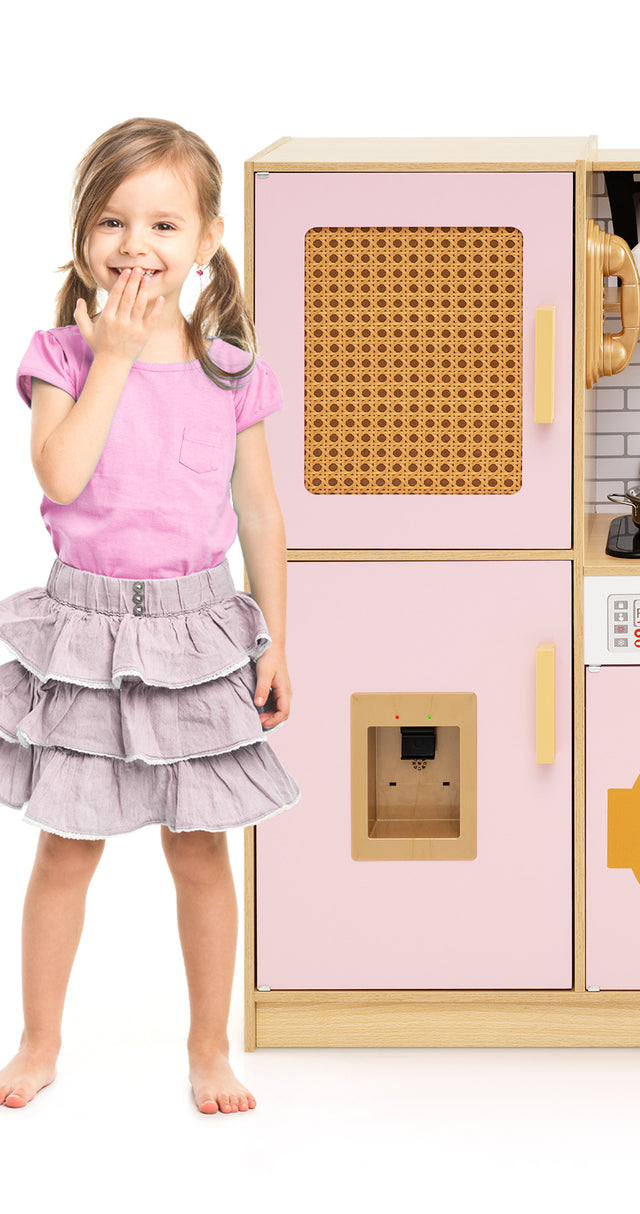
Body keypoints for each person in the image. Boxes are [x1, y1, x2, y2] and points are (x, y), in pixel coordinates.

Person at [0, 118, 298, 1114]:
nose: (138, 243)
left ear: (207, 239)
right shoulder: (60, 353)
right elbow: (60, 469)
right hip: (84, 631)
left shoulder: (229, 369)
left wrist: (277, 640)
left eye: (164, 222)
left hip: (198, 628)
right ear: (84, 236)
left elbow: (260, 513)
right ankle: (39, 1038)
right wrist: (115, 356)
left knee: (201, 847)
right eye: (115, 220)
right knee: (66, 846)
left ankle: (209, 1048)